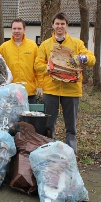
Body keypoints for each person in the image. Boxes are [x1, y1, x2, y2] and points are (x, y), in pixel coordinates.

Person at [34, 12, 96, 154]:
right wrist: (49, 67)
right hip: (51, 90)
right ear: (53, 26)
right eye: (57, 23)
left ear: (66, 25)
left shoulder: (76, 43)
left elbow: (92, 59)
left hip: (72, 90)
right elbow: (37, 65)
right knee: (49, 125)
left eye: (62, 24)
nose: (60, 26)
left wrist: (81, 58)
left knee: (71, 127)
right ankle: (48, 154)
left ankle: (71, 156)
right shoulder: (45, 45)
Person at [0, 18, 40, 104]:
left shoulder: (33, 46)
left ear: (24, 29)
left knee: (28, 117)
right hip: (9, 92)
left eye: (19, 28)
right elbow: (0, 70)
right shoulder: (4, 47)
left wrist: (40, 86)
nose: (16, 31)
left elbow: (37, 68)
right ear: (11, 30)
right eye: (14, 28)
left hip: (29, 91)